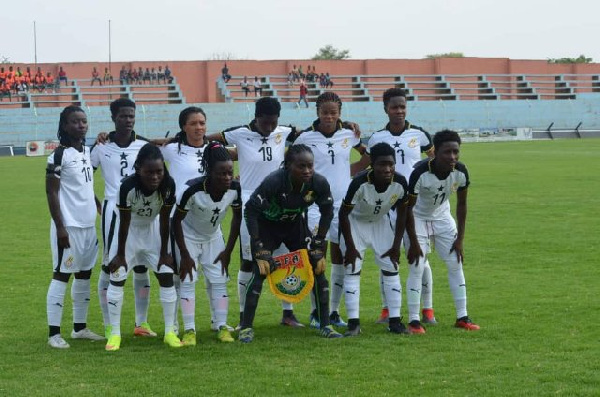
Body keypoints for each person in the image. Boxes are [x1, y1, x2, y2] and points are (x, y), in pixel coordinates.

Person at [208, 97, 304, 328]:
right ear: (256, 117)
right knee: (249, 262)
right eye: (266, 122)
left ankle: (288, 313)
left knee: (284, 258)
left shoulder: (284, 131)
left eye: (274, 122)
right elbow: (208, 140)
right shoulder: (239, 133)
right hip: (251, 203)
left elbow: (310, 133)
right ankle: (243, 317)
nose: (270, 127)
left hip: (280, 203)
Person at [239, 144, 343, 342]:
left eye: (310, 166)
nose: (307, 171)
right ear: (288, 166)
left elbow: (327, 211)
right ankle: (245, 327)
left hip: (295, 226)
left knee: (317, 266)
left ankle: (325, 325)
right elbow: (250, 210)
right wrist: (258, 245)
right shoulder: (274, 181)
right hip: (267, 227)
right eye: (301, 166)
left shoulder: (318, 183)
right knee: (260, 270)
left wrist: (319, 241)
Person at [293, 91, 370, 329]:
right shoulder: (305, 137)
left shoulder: (349, 133)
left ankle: (333, 312)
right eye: (324, 112)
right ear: (317, 112)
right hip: (315, 205)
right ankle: (317, 312)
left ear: (340, 113)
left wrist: (347, 172)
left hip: (343, 205)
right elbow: (290, 164)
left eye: (333, 112)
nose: (328, 116)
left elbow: (366, 157)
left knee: (340, 258)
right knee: (317, 256)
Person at [161, 107, 234, 333]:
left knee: (216, 276)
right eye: (193, 123)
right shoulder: (173, 149)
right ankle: (173, 324)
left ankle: (218, 322)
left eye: (202, 123)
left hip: (208, 220)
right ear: (184, 127)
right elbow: (149, 150)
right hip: (180, 220)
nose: (199, 127)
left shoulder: (215, 151)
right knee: (179, 275)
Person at [366, 87, 436, 325]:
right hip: (388, 205)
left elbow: (435, 161)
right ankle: (387, 309)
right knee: (387, 255)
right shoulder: (376, 138)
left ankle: (427, 310)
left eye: (403, 107)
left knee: (420, 257)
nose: (399, 111)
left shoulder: (420, 135)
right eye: (394, 107)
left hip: (415, 205)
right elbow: (368, 167)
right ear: (385, 108)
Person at [105, 144, 182, 351]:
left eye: (159, 171)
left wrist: (165, 253)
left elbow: (165, 220)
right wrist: (120, 255)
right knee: (118, 275)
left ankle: (169, 332)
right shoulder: (127, 187)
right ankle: (114, 334)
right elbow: (123, 222)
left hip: (153, 231)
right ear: (138, 168)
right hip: (127, 232)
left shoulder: (168, 185)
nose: (155, 177)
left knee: (166, 273)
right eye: (149, 172)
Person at [90, 98, 156, 339]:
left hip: (142, 212)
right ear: (113, 118)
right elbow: (85, 177)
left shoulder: (144, 146)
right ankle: (109, 325)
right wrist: (98, 204)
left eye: (131, 116)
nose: (128, 120)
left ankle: (141, 323)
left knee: (141, 265)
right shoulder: (100, 146)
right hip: (113, 212)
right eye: (123, 116)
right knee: (111, 266)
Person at [405, 130, 480, 333]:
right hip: (417, 218)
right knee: (417, 265)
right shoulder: (419, 172)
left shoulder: (461, 172)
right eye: (447, 152)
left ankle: (462, 317)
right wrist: (412, 241)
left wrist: (460, 240)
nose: (453, 157)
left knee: (456, 263)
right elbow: (407, 208)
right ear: (435, 152)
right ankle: (413, 321)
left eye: (456, 152)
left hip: (442, 217)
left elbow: (462, 205)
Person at [45, 106, 103, 348]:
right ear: (65, 126)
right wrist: (60, 227)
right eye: (75, 122)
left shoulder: (87, 152)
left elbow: (86, 187)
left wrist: (98, 205)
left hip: (89, 225)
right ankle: (53, 334)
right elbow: (51, 191)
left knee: (84, 274)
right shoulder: (59, 156)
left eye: (84, 121)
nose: (81, 125)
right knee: (61, 275)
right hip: (68, 226)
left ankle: (80, 328)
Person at [172, 142, 242, 345]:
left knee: (219, 280)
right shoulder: (191, 189)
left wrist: (228, 251)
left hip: (213, 237)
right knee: (187, 280)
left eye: (230, 172)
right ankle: (189, 331)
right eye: (221, 173)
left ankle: (221, 326)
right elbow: (175, 221)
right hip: (188, 237)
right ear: (209, 171)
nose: (227, 177)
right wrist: (184, 254)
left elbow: (237, 218)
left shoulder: (235, 189)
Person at [339, 143, 410, 336]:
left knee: (392, 268)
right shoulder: (359, 182)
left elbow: (403, 213)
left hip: (381, 223)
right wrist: (351, 247)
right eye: (381, 164)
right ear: (372, 164)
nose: (387, 169)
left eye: (390, 164)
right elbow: (343, 214)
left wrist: (396, 246)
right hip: (356, 223)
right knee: (352, 269)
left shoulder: (401, 182)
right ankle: (353, 324)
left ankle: (395, 322)